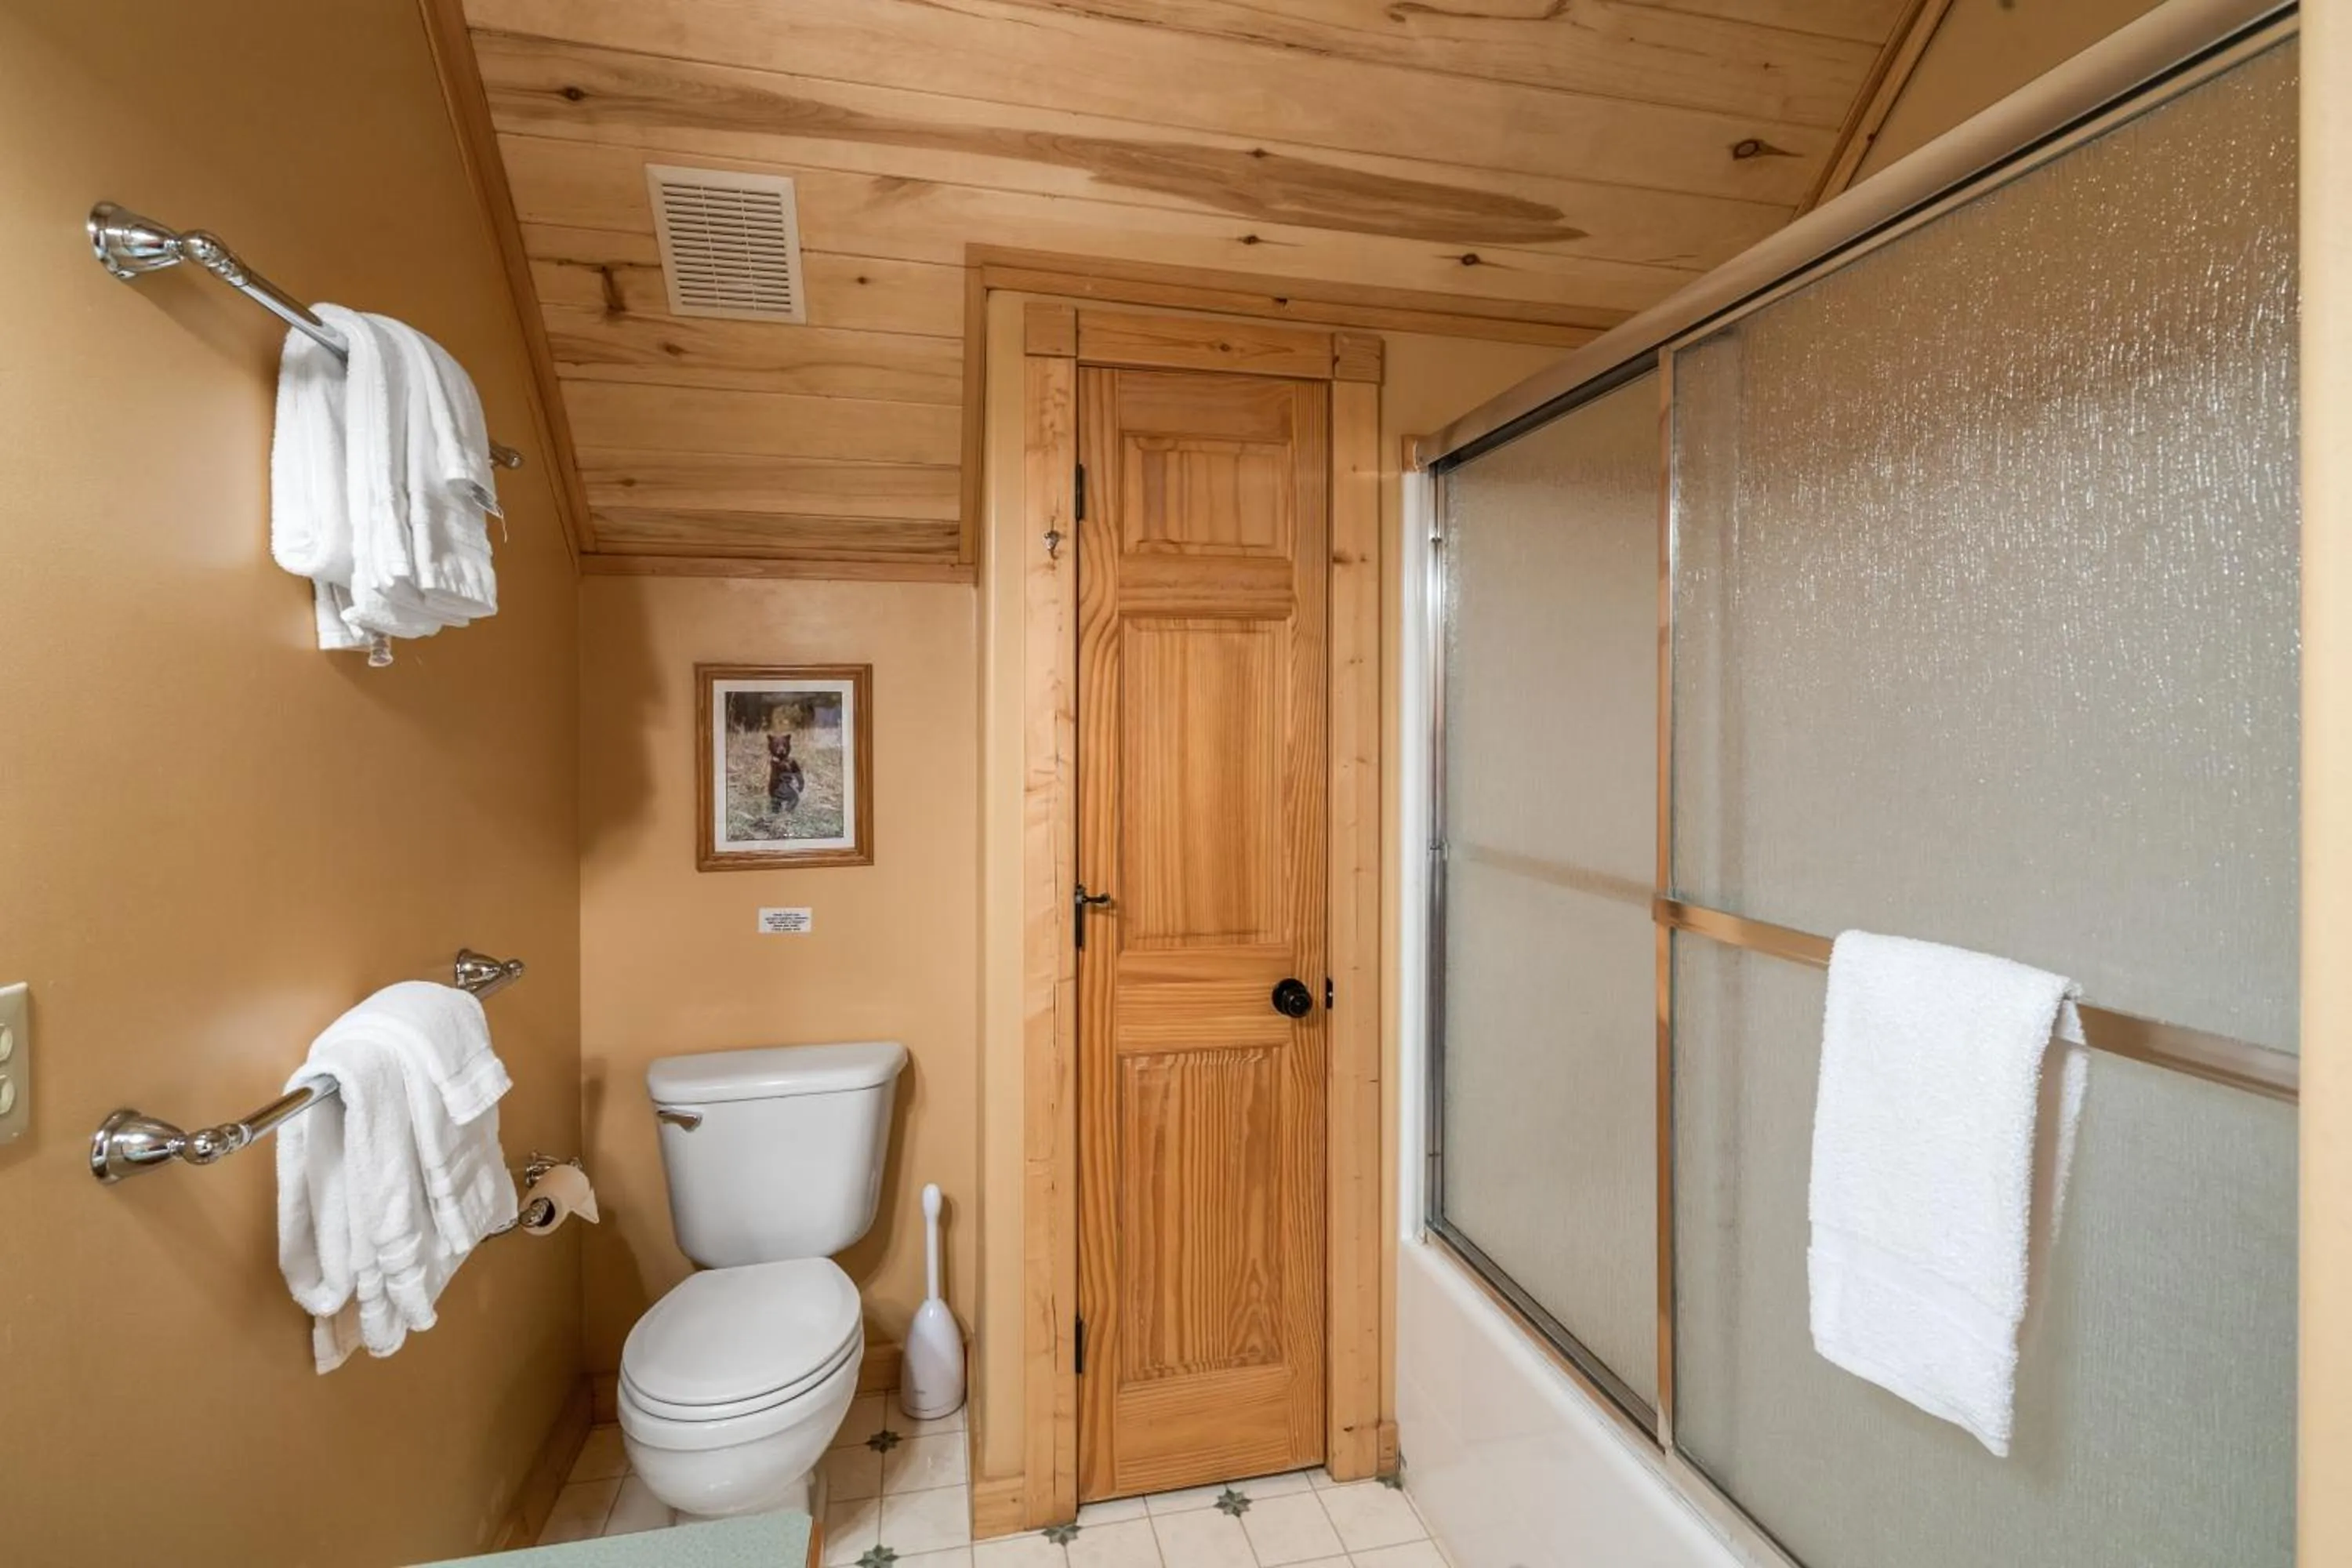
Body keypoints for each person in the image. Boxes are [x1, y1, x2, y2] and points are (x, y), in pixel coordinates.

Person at [766, 729, 804, 815]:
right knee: (775, 806)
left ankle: (788, 814)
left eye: (784, 745)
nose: (781, 748)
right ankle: (777, 814)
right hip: (776, 790)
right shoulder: (774, 763)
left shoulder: (791, 761)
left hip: (789, 790)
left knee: (792, 802)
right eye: (777, 746)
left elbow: (798, 774)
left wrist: (800, 784)